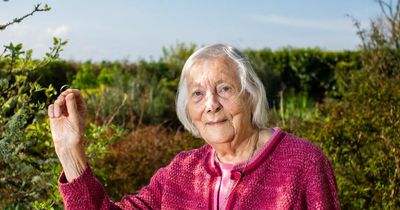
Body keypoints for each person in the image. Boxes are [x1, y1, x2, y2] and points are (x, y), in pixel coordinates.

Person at [48, 44, 340, 209]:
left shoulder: (304, 164)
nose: (210, 104)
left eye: (224, 88)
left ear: (250, 94)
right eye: (197, 94)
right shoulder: (181, 172)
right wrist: (70, 154)